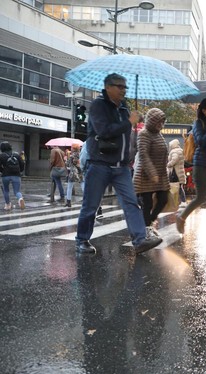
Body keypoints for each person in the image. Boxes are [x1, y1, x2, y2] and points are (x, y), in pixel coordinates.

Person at [75, 73, 162, 255]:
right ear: (108, 87)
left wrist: (133, 125)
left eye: (125, 87)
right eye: (119, 86)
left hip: (121, 166)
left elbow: (126, 135)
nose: (123, 90)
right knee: (91, 205)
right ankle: (82, 239)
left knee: (131, 203)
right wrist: (129, 122)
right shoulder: (99, 105)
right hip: (99, 163)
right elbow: (104, 131)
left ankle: (139, 240)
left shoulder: (123, 107)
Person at [175, 98, 206, 239]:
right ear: (203, 110)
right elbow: (201, 142)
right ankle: (181, 217)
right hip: (201, 165)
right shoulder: (198, 123)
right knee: (201, 198)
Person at [132, 108, 170, 236]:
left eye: (162, 122)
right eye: (159, 122)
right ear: (152, 121)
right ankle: (146, 229)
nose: (161, 125)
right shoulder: (144, 134)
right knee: (146, 204)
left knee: (164, 198)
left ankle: (150, 221)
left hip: (159, 174)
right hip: (145, 175)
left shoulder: (158, 133)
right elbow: (144, 155)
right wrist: (152, 172)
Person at [0, 141, 25, 210]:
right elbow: (22, 164)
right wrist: (20, 171)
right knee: (17, 191)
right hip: (16, 175)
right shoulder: (16, 154)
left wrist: (2, 171)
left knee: (6, 190)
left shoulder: (1, 156)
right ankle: (20, 199)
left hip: (5, 175)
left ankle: (8, 205)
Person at [166, 138, 187, 204]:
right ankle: (181, 201)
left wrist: (168, 164)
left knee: (176, 187)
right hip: (179, 172)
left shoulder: (175, 151)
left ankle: (181, 201)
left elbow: (174, 160)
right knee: (179, 187)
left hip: (175, 173)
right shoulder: (180, 150)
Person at [64, 143, 83, 207]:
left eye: (72, 147)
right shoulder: (80, 154)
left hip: (73, 172)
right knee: (83, 185)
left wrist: (66, 159)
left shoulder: (73, 155)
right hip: (79, 172)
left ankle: (68, 202)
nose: (71, 148)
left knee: (69, 187)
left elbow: (69, 164)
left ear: (74, 148)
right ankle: (88, 199)